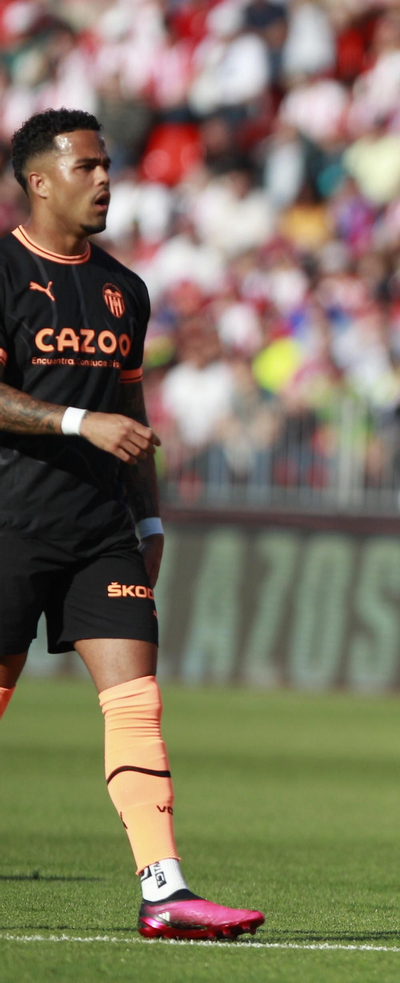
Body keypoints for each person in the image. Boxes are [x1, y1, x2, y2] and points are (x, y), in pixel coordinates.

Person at [0, 109, 264, 940]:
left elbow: (132, 407)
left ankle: (165, 889)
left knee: (138, 704)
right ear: (38, 180)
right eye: (86, 167)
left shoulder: (126, 288)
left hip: (101, 528)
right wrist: (82, 425)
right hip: (9, 522)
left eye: (107, 165)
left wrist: (148, 515)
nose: (105, 179)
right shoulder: (3, 268)